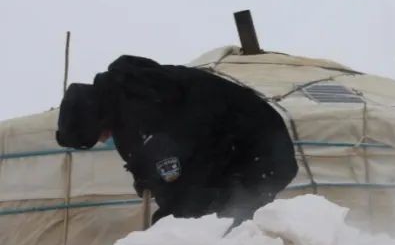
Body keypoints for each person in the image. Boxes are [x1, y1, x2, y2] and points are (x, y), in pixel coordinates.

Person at [56, 55, 298, 225]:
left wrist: (173, 214)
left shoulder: (140, 103)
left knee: (227, 219)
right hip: (239, 146)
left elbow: (182, 164)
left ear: (94, 120)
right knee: (211, 220)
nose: (100, 141)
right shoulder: (123, 102)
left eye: (94, 136)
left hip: (258, 148)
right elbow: (156, 161)